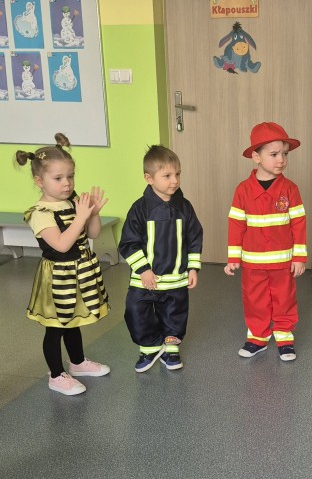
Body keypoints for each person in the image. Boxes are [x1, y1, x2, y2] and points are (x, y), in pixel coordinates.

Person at [16, 133, 110, 396]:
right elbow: (61, 244)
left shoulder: (72, 203)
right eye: (58, 178)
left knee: (73, 319)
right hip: (57, 277)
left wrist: (93, 214)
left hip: (79, 272)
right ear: (39, 180)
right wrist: (80, 218)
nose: (67, 183)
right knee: (56, 326)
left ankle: (77, 362)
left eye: (70, 176)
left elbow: (92, 234)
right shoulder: (40, 213)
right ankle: (56, 375)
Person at [224, 122, 306, 362]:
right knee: (254, 300)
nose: (281, 160)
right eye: (274, 154)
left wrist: (299, 257)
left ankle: (284, 336)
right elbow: (236, 225)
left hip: (283, 262)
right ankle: (258, 337)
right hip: (253, 263)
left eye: (285, 154)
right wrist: (233, 258)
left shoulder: (290, 189)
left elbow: (299, 224)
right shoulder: (242, 190)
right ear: (256, 157)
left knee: (284, 299)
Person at [119, 145, 203, 372]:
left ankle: (171, 348)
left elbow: (195, 237)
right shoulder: (139, 209)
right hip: (145, 279)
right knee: (136, 312)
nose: (174, 180)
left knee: (174, 315)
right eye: (167, 176)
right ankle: (150, 347)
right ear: (149, 178)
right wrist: (143, 270)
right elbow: (128, 242)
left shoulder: (185, 207)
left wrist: (193, 268)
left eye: (177, 174)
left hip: (176, 278)